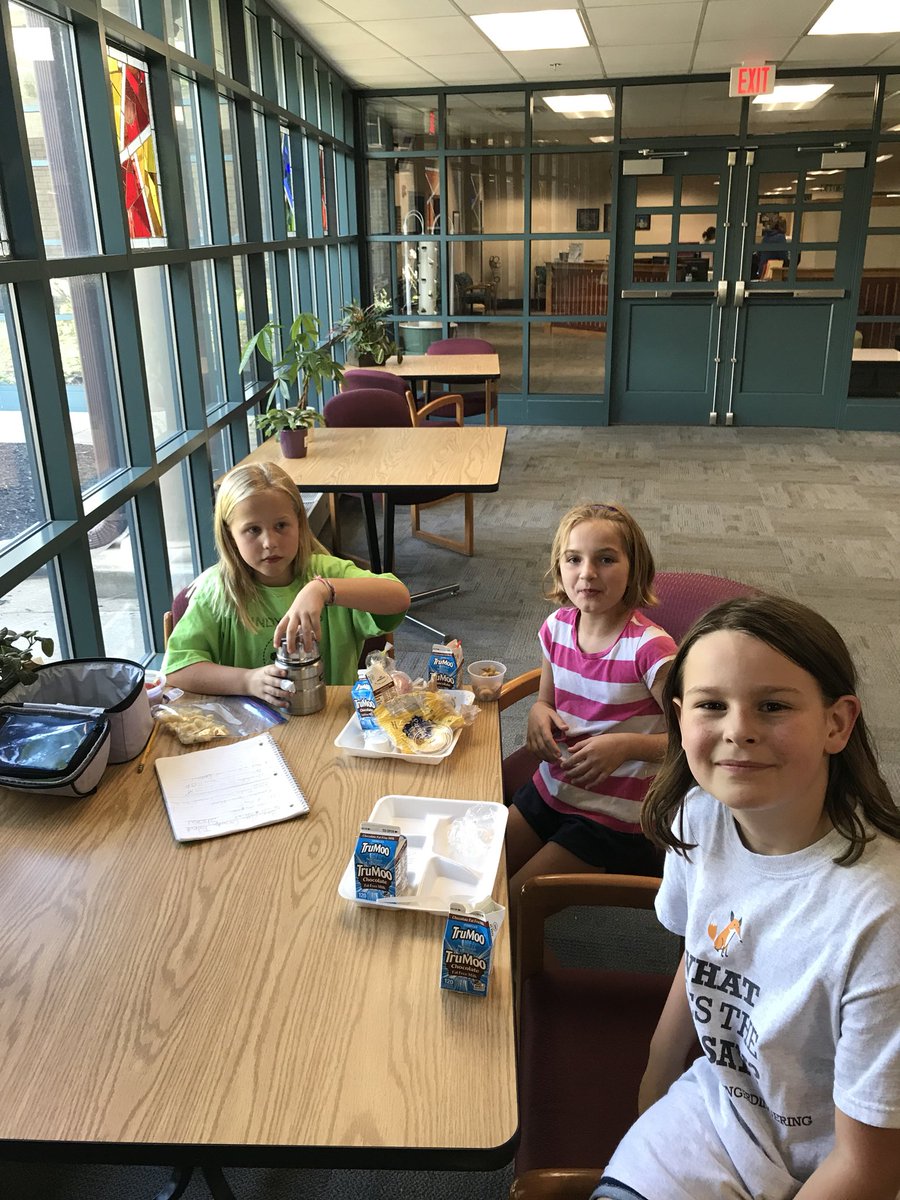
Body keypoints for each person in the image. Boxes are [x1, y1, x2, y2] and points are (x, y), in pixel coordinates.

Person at [593, 594, 900, 1200]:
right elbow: (704, 951)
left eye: (773, 706)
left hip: (842, 1156)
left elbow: (869, 1167)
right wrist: (658, 1074)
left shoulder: (881, 914)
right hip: (727, 1109)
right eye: (711, 705)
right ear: (679, 719)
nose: (738, 731)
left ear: (837, 723)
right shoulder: (700, 818)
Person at [505, 502, 677, 908]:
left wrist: (627, 745)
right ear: (559, 567)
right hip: (553, 787)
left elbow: (695, 740)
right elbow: (546, 700)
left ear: (634, 568)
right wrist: (536, 712)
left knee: (516, 903)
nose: (587, 573)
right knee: (480, 871)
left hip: (613, 817)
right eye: (573, 559)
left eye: (605, 559)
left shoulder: (651, 649)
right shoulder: (557, 627)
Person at [162, 462, 410, 704]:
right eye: (253, 530)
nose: (269, 542)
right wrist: (247, 681)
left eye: (281, 525)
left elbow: (399, 598)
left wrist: (322, 589)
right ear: (230, 535)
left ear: (300, 523)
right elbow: (176, 671)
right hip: (249, 734)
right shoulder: (217, 592)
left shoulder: (327, 572)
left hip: (327, 724)